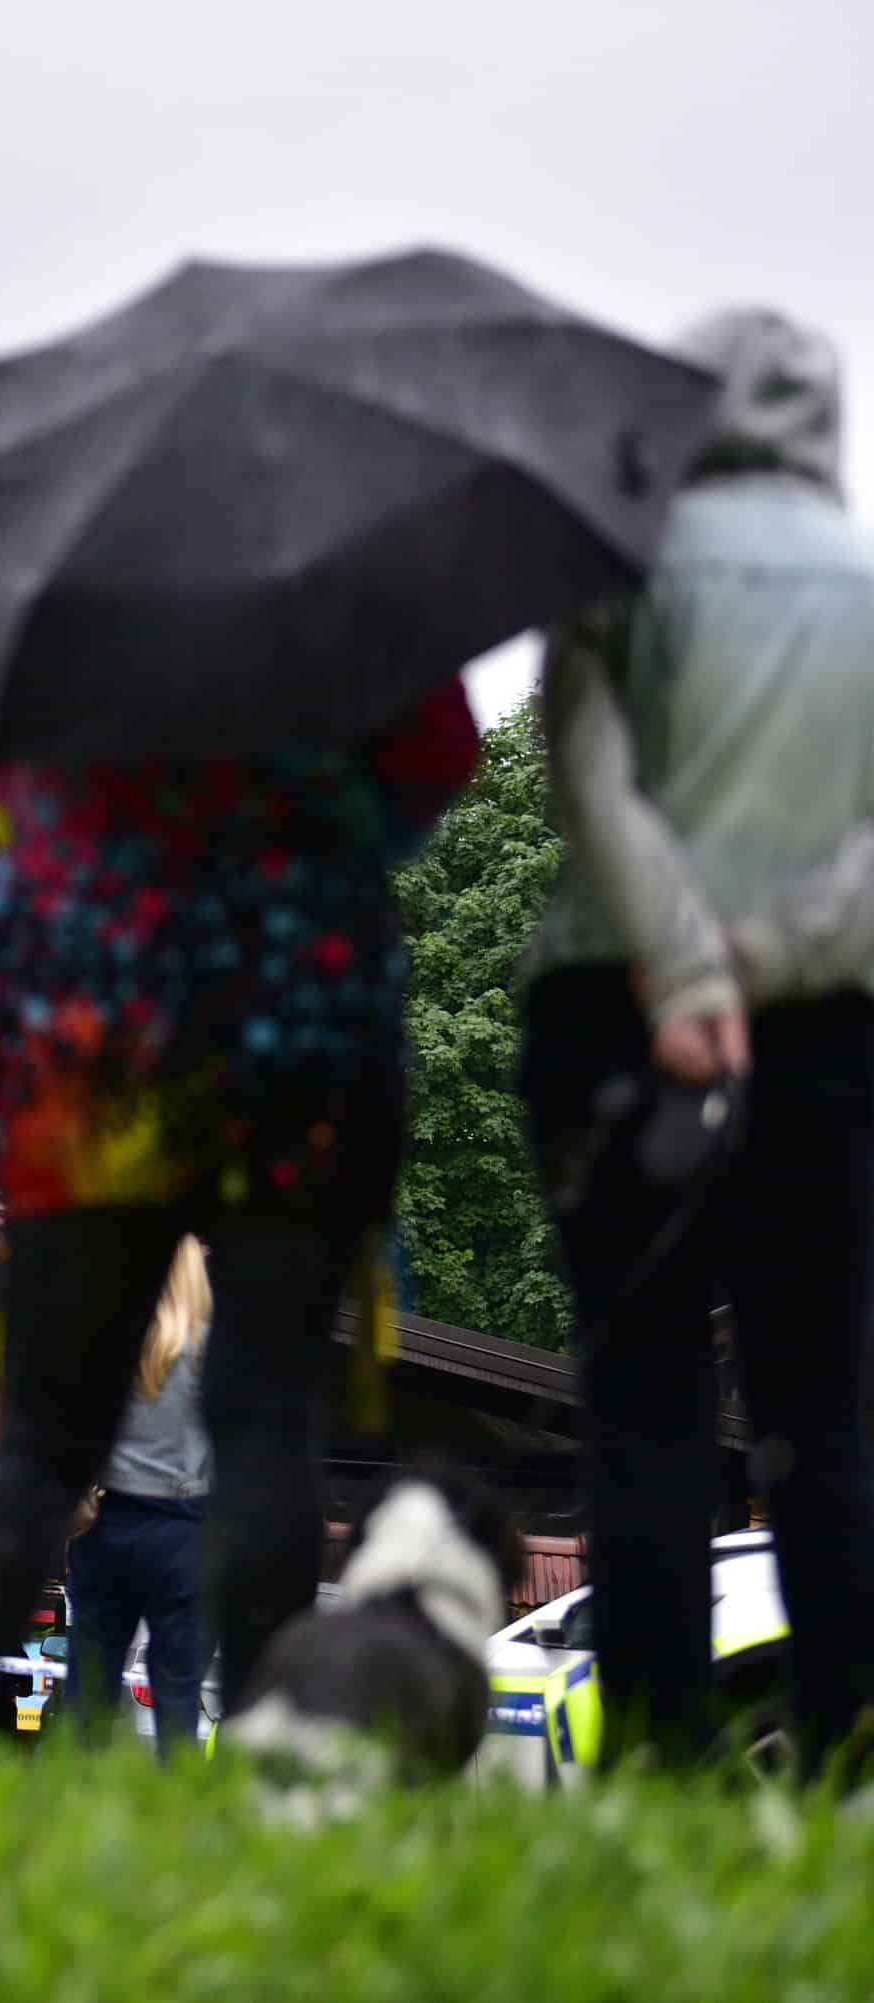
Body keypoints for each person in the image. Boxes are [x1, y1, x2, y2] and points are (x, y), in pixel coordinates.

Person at [0, 681, 480, 1739]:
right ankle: (274, 1739)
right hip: (300, 1040)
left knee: (43, 1433)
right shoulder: (335, 598)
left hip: (90, 1050)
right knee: (267, 1413)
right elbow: (432, 766)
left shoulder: (48, 592)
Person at [519, 304, 874, 1779]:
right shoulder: (864, 587)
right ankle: (851, 1769)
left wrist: (680, 969)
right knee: (828, 1409)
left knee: (644, 1403)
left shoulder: (615, 563)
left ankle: (658, 1774)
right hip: (832, 1030)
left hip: (615, 1011)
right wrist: (766, 956)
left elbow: (587, 782)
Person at [61, 1236, 213, 1757]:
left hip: (105, 1523)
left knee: (88, 1691)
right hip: (185, 1531)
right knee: (177, 1690)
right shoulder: (214, 1350)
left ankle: (73, 1811)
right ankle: (175, 1821)